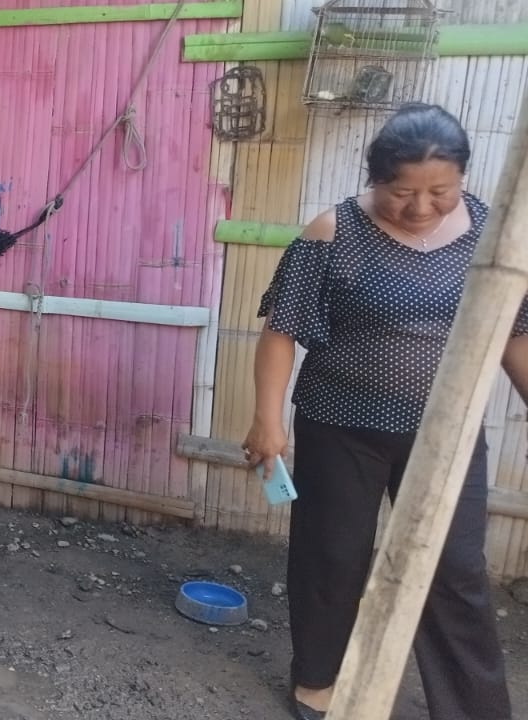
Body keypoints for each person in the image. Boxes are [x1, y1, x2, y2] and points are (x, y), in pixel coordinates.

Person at [246, 103, 520, 720]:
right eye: (403, 192)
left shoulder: (490, 234)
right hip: (340, 425)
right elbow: (281, 331)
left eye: (440, 192)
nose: (421, 207)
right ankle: (319, 682)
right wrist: (268, 420)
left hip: (447, 433)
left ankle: (473, 708)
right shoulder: (333, 231)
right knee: (332, 557)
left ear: (463, 178)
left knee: (454, 569)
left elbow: (514, 335)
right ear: (376, 179)